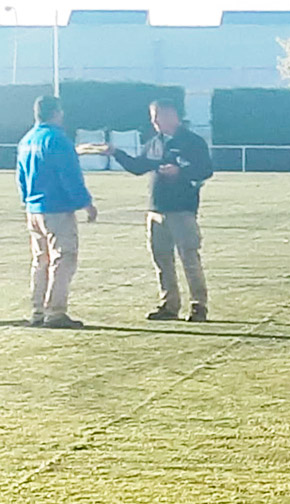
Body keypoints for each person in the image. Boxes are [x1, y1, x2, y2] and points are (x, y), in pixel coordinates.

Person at [98, 99, 213, 322]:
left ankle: (199, 305)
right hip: (157, 210)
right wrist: (116, 153)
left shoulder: (192, 142)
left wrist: (180, 171)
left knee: (189, 257)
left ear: (173, 116)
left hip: (181, 209)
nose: (155, 122)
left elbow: (205, 170)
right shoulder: (154, 143)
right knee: (162, 259)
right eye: (153, 117)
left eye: (159, 116)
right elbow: (139, 167)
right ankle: (169, 304)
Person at [17, 95, 98, 329]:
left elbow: (21, 176)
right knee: (63, 258)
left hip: (34, 208)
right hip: (56, 208)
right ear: (57, 112)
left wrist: (28, 201)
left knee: (40, 260)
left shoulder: (27, 139)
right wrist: (86, 203)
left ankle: (38, 310)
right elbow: (69, 175)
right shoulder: (57, 139)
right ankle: (56, 311)